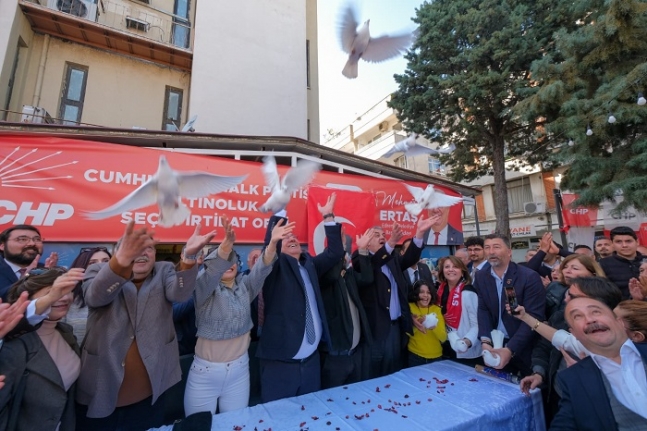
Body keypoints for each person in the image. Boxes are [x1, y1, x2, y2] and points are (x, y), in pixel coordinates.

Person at [75, 221, 215, 431]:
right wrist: (121, 262)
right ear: (118, 253)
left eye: (148, 248)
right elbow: (96, 296)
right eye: (134, 248)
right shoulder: (98, 270)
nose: (142, 253)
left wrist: (189, 257)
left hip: (151, 392)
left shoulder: (164, 270)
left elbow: (180, 293)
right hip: (102, 389)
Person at [184, 216, 288, 415]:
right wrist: (224, 249)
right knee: (198, 426)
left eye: (233, 258)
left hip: (240, 371)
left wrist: (273, 242)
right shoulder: (204, 288)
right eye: (224, 259)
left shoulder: (245, 286)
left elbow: (262, 269)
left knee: (235, 424)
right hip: (205, 375)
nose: (229, 263)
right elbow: (210, 274)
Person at [256, 193, 344, 403]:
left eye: (294, 237)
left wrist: (328, 217)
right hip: (281, 365)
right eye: (286, 237)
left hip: (312, 362)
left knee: (311, 415)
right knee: (279, 420)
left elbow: (335, 252)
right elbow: (271, 246)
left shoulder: (309, 264)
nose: (292, 238)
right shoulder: (274, 267)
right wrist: (279, 213)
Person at [514, 276, 620, 424]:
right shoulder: (564, 324)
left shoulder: (631, 350)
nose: (565, 300)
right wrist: (525, 317)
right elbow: (558, 338)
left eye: (573, 296)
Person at [353, 213, 440, 378]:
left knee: (394, 373)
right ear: (366, 240)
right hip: (376, 331)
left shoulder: (392, 259)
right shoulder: (360, 258)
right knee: (374, 376)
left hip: (396, 329)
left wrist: (419, 233)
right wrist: (391, 243)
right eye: (376, 235)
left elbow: (410, 257)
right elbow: (368, 273)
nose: (382, 238)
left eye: (383, 235)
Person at [0, 267, 85, 430]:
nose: (64, 297)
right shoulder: (15, 345)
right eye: (52, 292)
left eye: (68, 290)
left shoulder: (66, 333)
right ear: (31, 299)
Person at [550, 296, 647, 430]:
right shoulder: (573, 379)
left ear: (619, 322)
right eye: (578, 316)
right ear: (573, 334)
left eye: (596, 312)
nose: (590, 320)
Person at [476, 233, 545, 376]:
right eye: (487, 247)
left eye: (496, 247)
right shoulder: (481, 275)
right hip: (495, 345)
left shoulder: (529, 277)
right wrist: (485, 341)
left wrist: (510, 349)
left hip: (524, 346)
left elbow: (534, 316)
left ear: (509, 251)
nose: (491, 251)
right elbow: (483, 309)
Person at [319, 228, 374, 388]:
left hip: (355, 355)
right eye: (339, 255)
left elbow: (367, 278)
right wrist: (340, 245)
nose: (344, 257)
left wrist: (362, 250)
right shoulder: (324, 277)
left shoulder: (347, 276)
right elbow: (332, 274)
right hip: (335, 358)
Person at [435, 255, 481, 364]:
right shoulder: (440, 290)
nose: (450, 269)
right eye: (447, 267)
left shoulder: (468, 292)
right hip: (445, 345)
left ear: (462, 270)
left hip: (464, 348)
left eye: (455, 266)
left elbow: (477, 324)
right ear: (442, 271)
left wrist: (466, 342)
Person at [64, 246, 112, 342]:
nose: (100, 266)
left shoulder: (125, 294)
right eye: (92, 263)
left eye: (106, 261)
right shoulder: (67, 298)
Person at [0, 225, 58, 300]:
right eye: (22, 239)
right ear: (2, 246)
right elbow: (4, 298)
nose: (32, 243)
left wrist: (50, 277)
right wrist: (28, 277)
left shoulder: (47, 270)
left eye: (37, 239)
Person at [407, 280, 446, 366]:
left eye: (428, 292)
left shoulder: (436, 309)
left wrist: (434, 327)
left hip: (436, 357)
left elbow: (443, 338)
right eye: (421, 292)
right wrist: (417, 325)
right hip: (415, 356)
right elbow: (407, 333)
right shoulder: (409, 307)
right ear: (415, 293)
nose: (425, 295)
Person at [599, 226, 644, 299]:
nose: (624, 245)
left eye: (628, 241)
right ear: (612, 244)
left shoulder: (645, 261)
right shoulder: (603, 264)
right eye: (618, 242)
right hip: (620, 308)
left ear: (637, 242)